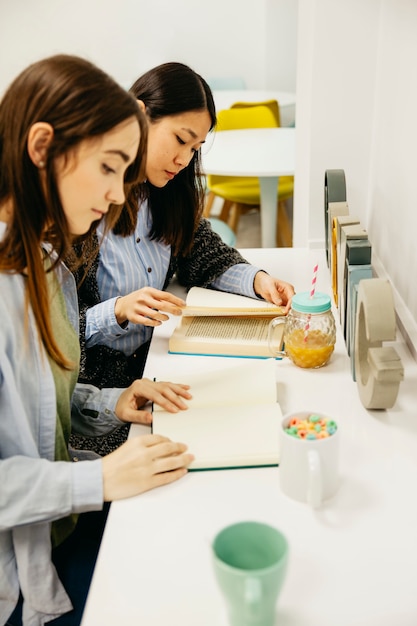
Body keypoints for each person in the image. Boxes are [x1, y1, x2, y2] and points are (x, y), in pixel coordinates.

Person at [0, 54, 194, 626]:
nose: (116, 196)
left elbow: (39, 404)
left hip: (58, 524)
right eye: (110, 168)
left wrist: (110, 402)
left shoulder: (47, 263)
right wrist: (103, 476)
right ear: (42, 147)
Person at [75, 62, 295, 400]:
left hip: (158, 365)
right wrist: (116, 310)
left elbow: (204, 252)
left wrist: (258, 280)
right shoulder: (82, 210)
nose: (183, 159)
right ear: (139, 117)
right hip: (99, 391)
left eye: (194, 148)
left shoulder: (168, 194)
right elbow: (54, 332)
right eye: (180, 139)